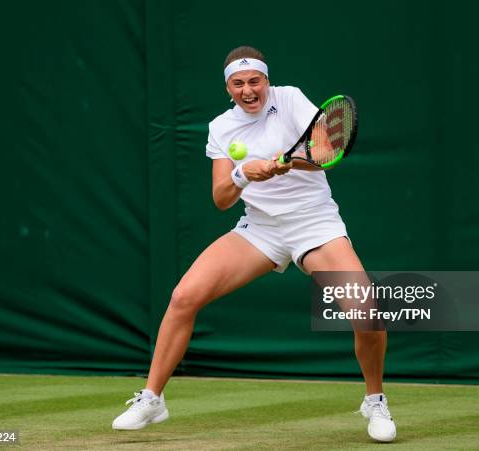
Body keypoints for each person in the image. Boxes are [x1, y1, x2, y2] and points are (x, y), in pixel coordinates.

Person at [112, 45, 396, 443]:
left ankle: (375, 399)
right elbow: (221, 198)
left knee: (365, 309)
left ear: (266, 80)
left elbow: (326, 148)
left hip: (314, 224)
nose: (248, 90)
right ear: (228, 88)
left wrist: (284, 161)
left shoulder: (291, 98)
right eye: (238, 83)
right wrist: (245, 174)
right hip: (260, 230)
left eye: (254, 81)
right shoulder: (220, 128)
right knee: (183, 297)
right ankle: (152, 399)